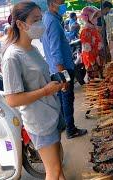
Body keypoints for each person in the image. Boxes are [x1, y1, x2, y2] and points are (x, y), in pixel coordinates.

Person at [1, 2, 65, 179]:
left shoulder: (33, 48)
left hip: (51, 112)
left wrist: (54, 83)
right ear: (21, 24)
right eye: (35, 20)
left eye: (40, 19)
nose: (41, 24)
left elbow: (38, 80)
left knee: (58, 165)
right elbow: (12, 99)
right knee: (53, 171)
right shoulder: (12, 57)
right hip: (39, 121)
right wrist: (45, 91)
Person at [42, 0, 87, 139]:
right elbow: (55, 51)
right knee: (67, 99)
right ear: (51, 3)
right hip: (62, 69)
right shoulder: (53, 22)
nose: (63, 5)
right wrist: (64, 76)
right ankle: (71, 130)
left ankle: (65, 126)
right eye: (60, 2)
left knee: (62, 100)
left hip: (56, 68)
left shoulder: (49, 19)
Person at [80, 7, 103, 80]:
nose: (96, 18)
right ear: (88, 18)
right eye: (94, 16)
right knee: (94, 85)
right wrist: (93, 64)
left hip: (97, 60)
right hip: (91, 63)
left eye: (96, 16)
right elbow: (87, 51)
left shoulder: (93, 29)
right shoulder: (86, 31)